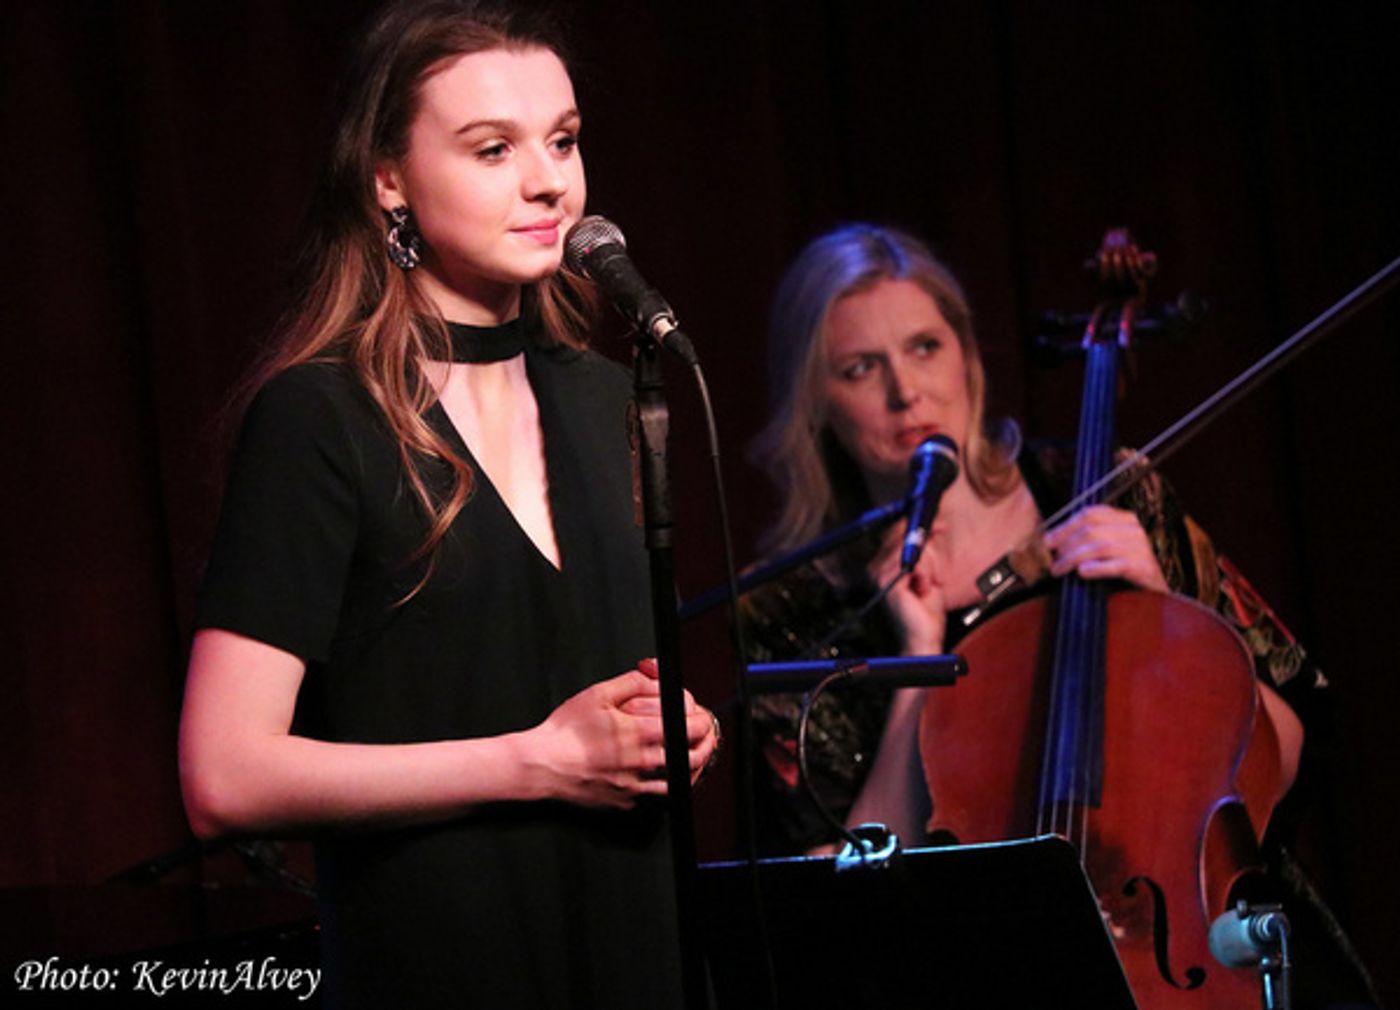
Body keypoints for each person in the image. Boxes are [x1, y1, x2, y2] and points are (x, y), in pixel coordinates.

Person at [177, 3, 716, 1007]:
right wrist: (537, 763)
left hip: (635, 953)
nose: (547, 180)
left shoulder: (610, 399)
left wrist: (670, 730)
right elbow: (225, 775)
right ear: (388, 178)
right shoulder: (321, 417)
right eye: (492, 148)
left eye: (562, 140)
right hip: (445, 963)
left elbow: (599, 682)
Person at [742, 222, 1314, 856]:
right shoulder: (786, 609)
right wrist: (917, 658)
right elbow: (844, 887)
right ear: (814, 402)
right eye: (860, 369)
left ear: (967, 356)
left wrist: (1166, 616)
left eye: (925, 347)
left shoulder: (1110, 489)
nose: (906, 392)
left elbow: (1287, 761)